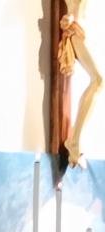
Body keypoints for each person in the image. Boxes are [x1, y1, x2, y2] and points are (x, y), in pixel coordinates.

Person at [60, 0, 101, 167]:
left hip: (87, 31)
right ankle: (74, 141)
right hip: (76, 30)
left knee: (98, 83)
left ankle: (75, 139)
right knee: (98, 80)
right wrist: (68, 17)